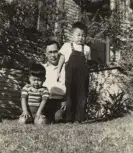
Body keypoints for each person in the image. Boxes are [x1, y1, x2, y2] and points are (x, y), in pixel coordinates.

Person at [57, 22, 91, 123]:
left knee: (82, 96)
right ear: (72, 35)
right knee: (70, 97)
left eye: (83, 35)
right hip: (70, 77)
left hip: (82, 77)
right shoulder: (67, 46)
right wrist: (58, 72)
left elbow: (87, 63)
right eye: (78, 35)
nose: (81, 38)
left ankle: (79, 119)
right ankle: (69, 119)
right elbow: (62, 59)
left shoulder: (87, 48)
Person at [42, 40, 66, 123]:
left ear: (59, 52)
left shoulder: (66, 68)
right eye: (50, 52)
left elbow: (72, 86)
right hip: (45, 102)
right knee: (42, 120)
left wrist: (66, 100)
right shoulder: (42, 68)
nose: (53, 55)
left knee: (58, 118)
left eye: (55, 52)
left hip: (61, 102)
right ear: (46, 54)